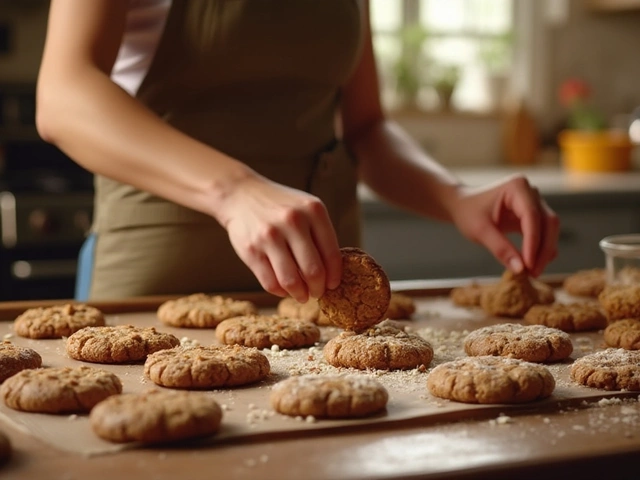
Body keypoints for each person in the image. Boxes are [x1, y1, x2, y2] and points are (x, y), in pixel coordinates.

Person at [36, 0, 559, 303]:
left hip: (320, 291)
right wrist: (235, 191)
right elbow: (63, 94)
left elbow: (367, 127)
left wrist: (456, 197)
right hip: (157, 283)